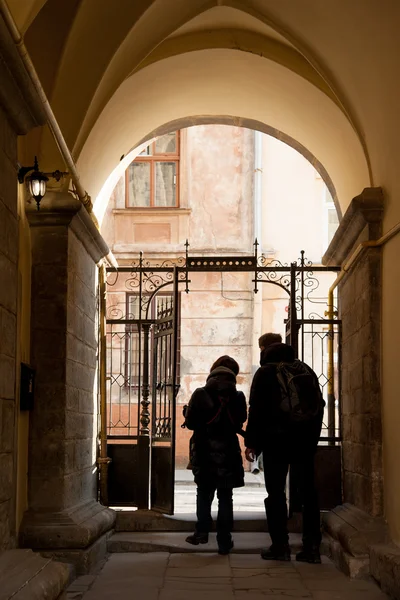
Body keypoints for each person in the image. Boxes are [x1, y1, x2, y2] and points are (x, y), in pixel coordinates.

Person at [245, 332, 325, 564]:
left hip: (275, 443)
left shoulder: (265, 372)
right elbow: (319, 405)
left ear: (264, 349)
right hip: (304, 442)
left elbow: (257, 410)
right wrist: (312, 438)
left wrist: (252, 443)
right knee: (309, 494)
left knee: (276, 493)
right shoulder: (305, 369)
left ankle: (280, 546)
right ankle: (311, 549)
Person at [183, 355, 247, 555]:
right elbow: (241, 420)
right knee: (226, 497)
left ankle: (201, 532)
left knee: (204, 494)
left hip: (204, 450)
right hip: (228, 450)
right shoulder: (238, 396)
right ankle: (224, 542)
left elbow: (192, 423)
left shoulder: (201, 393)